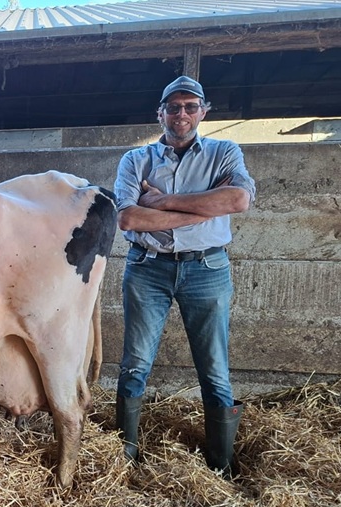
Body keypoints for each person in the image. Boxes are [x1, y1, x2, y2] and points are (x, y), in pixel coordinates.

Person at [112, 75, 255, 478]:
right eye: (173, 107)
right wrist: (202, 209)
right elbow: (128, 218)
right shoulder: (135, 159)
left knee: (214, 367)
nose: (182, 114)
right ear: (160, 114)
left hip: (207, 268)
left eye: (191, 107)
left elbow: (238, 199)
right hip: (147, 267)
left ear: (203, 112)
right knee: (135, 363)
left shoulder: (225, 152)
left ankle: (221, 466)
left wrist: (161, 202)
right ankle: (124, 457)